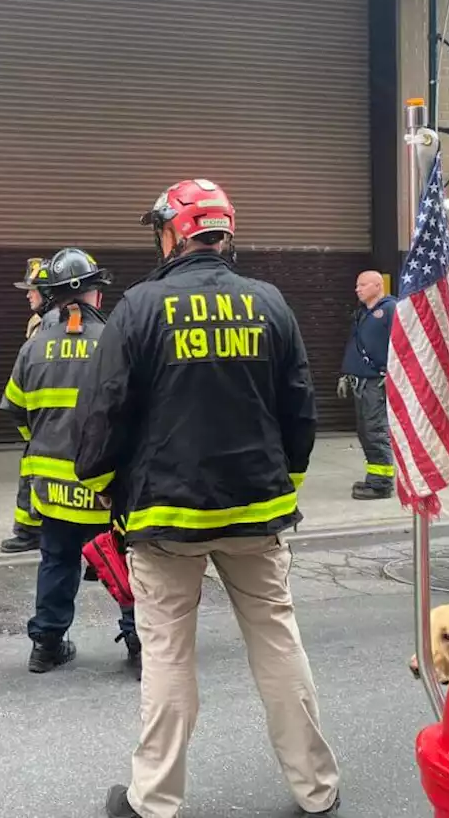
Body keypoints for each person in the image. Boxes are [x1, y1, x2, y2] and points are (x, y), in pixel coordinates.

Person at [73, 179, 341, 818]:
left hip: (165, 516)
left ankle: (154, 800)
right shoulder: (270, 304)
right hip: (259, 510)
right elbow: (300, 410)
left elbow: (103, 413)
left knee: (167, 653)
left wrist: (100, 481)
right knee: (278, 642)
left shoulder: (138, 308)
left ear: (174, 233)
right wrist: (285, 483)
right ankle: (317, 789)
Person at [1, 247, 139, 674]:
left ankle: (46, 645)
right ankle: (139, 643)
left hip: (51, 487)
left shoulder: (34, 345)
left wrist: (45, 447)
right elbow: (134, 412)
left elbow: (18, 412)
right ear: (95, 294)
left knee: (57, 561)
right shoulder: (117, 340)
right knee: (123, 560)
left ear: (55, 295)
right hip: (105, 485)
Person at [0, 257, 49, 555]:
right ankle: (28, 528)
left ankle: (31, 530)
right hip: (35, 410)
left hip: (48, 412)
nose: (28, 294)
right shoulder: (38, 321)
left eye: (33, 289)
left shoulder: (53, 323)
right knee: (30, 469)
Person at [337, 270, 397, 501]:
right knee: (366, 431)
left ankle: (381, 484)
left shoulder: (391, 309)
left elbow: (402, 343)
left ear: (377, 286)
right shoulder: (363, 313)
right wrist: (347, 373)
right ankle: (375, 477)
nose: (357, 289)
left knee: (375, 431)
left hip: (376, 382)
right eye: (357, 285)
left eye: (362, 285)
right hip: (361, 381)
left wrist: (393, 373)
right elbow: (357, 346)